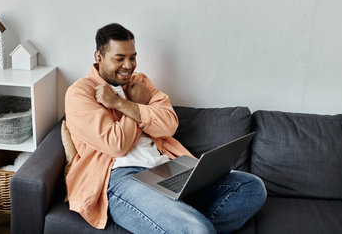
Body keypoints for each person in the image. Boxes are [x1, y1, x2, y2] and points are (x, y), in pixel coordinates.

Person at [65, 23, 266, 233]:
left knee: (251, 187)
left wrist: (123, 104)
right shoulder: (80, 93)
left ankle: (187, 224)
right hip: (121, 178)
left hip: (166, 167)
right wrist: (138, 106)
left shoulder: (140, 82)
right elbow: (116, 145)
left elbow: (169, 124)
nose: (128, 65)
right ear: (99, 56)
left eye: (132, 57)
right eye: (119, 58)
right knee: (197, 229)